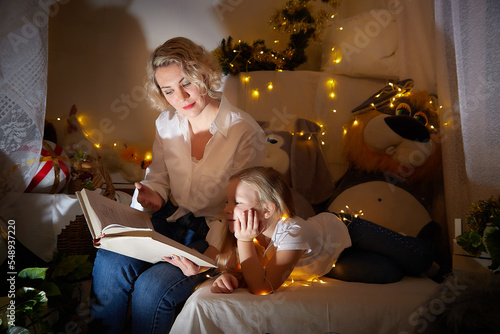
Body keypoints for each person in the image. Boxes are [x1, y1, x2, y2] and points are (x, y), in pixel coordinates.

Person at [90, 37, 265, 333]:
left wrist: (210, 256)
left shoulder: (244, 131)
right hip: (170, 218)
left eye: (186, 83)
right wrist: (152, 196)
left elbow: (240, 207)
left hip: (214, 230)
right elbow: (159, 178)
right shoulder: (166, 123)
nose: (180, 96)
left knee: (150, 289)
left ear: (204, 74)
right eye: (168, 90)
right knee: (109, 261)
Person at [212, 166, 434, 295]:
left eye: (237, 202)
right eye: (226, 201)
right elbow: (245, 271)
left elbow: (263, 288)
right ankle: (394, 247)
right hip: (324, 261)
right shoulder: (241, 234)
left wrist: (244, 240)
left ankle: (408, 240)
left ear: (268, 209)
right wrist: (227, 277)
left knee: (421, 260)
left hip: (343, 230)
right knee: (389, 273)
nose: (226, 209)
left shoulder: (292, 230)